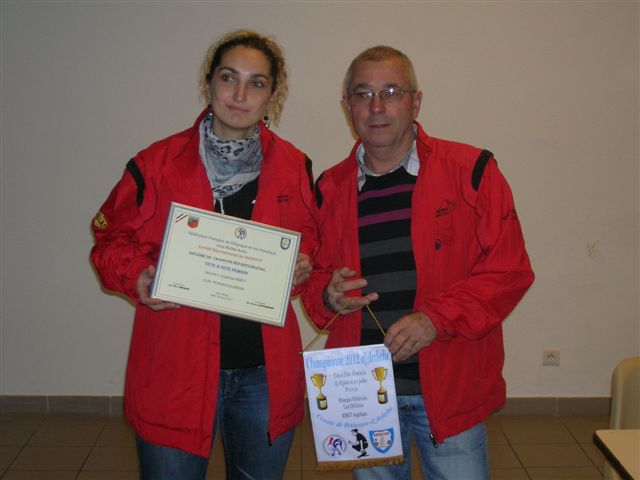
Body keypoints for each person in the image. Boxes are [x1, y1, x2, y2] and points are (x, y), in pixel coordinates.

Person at [91, 30, 317, 480]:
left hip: (263, 376)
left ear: (272, 95)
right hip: (176, 372)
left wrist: (303, 264)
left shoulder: (295, 167)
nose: (239, 95)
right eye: (228, 78)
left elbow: (311, 242)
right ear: (209, 82)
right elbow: (108, 241)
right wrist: (137, 277)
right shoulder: (156, 164)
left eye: (256, 83)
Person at [301, 46, 534, 479]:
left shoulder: (471, 170)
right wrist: (328, 297)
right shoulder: (328, 189)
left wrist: (434, 320)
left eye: (391, 92)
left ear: (416, 102)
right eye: (363, 94)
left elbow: (509, 271)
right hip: (363, 394)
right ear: (347, 106)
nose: (377, 107)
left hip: (449, 388)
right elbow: (311, 280)